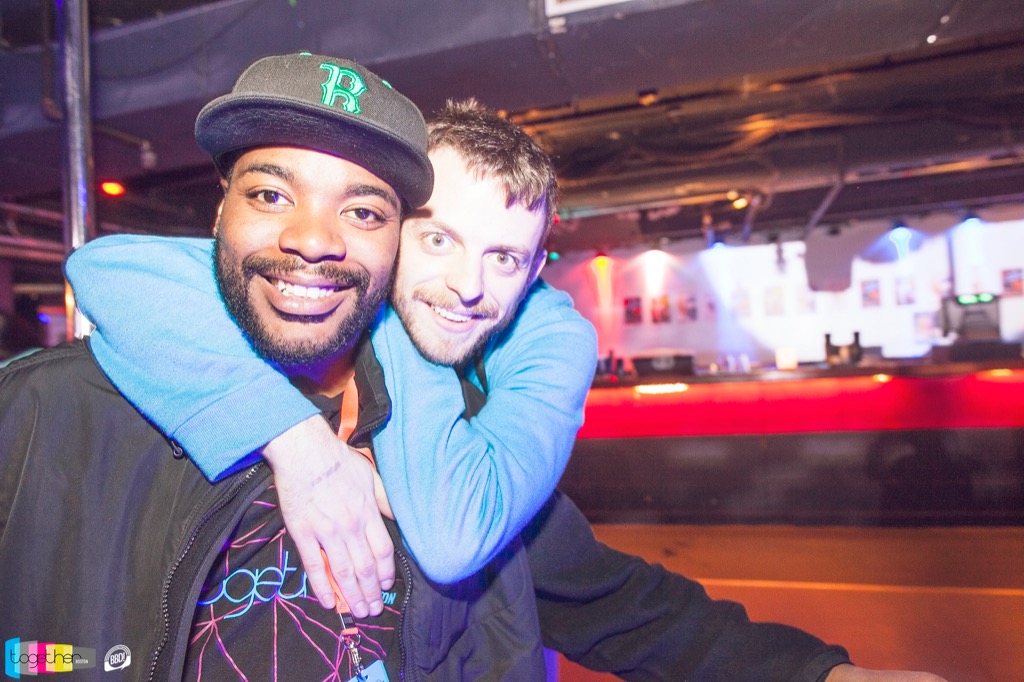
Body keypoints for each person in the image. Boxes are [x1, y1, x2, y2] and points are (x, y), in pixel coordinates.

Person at [1, 52, 944, 681]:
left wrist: (821, 673)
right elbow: (110, 267)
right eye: (271, 194)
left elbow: (612, 600)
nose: (313, 240)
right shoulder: (54, 414)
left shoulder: (455, 439)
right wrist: (293, 440)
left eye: (363, 212)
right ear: (218, 215)